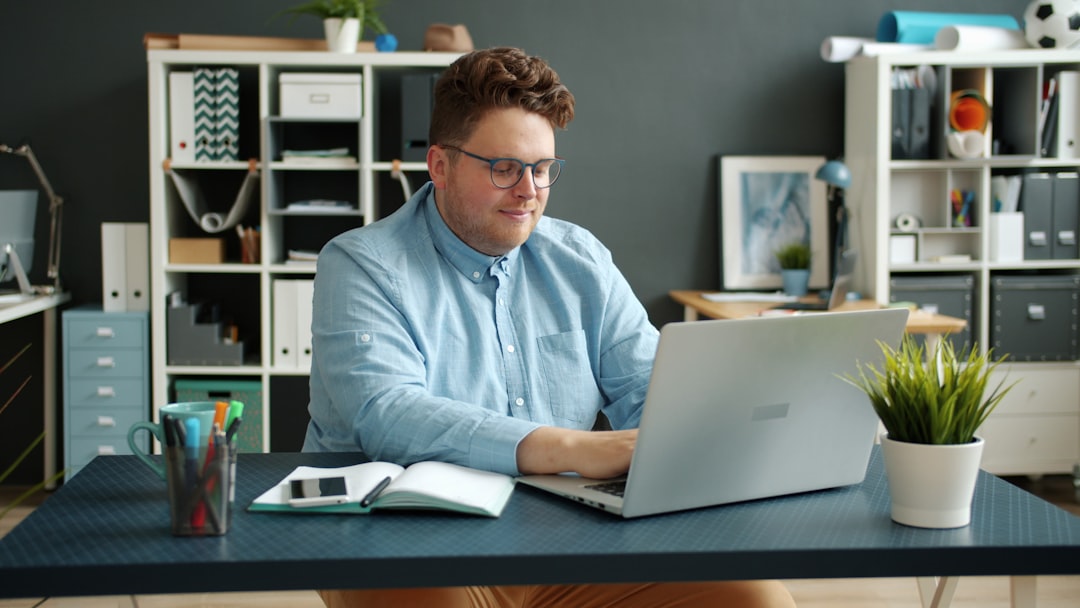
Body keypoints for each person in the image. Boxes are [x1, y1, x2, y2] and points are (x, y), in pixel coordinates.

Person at [303, 46, 796, 608]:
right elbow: (386, 414)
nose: (529, 191)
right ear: (439, 165)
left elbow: (648, 387)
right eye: (505, 168)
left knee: (756, 599)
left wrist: (717, 433)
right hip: (404, 538)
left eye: (543, 169)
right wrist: (570, 448)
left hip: (563, 537)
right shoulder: (361, 263)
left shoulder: (579, 258)